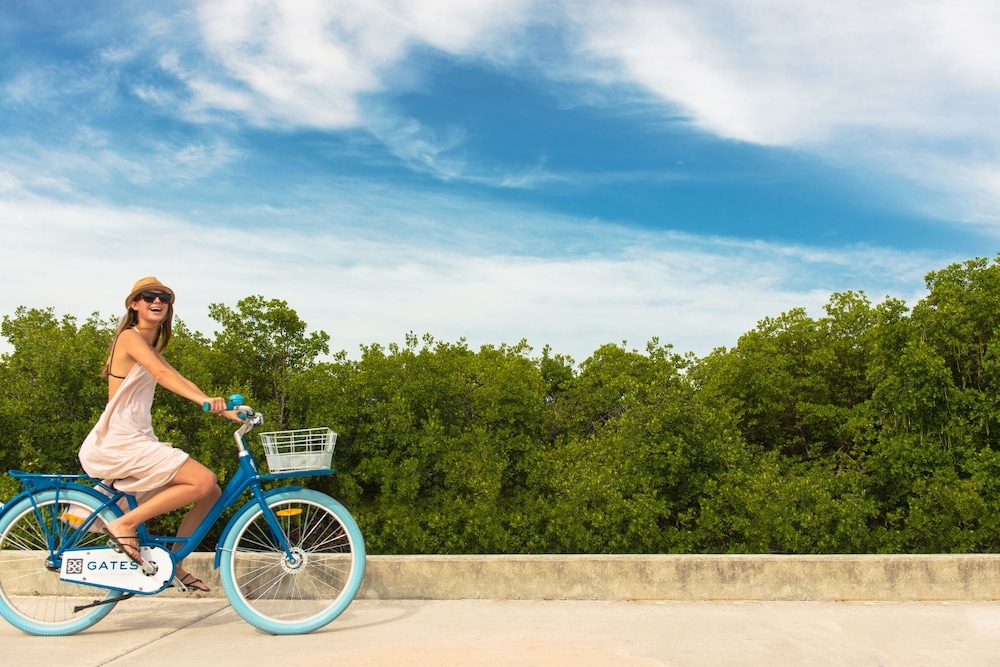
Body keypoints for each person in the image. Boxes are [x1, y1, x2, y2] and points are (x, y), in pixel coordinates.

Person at [79, 277, 238, 593]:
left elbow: (181, 379)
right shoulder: (129, 338)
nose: (158, 301)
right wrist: (204, 402)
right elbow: (162, 375)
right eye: (149, 296)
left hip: (137, 439)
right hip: (120, 440)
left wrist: (223, 410)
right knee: (203, 480)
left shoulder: (148, 347)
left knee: (210, 492)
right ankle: (124, 524)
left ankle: (175, 564)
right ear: (134, 304)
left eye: (164, 297)